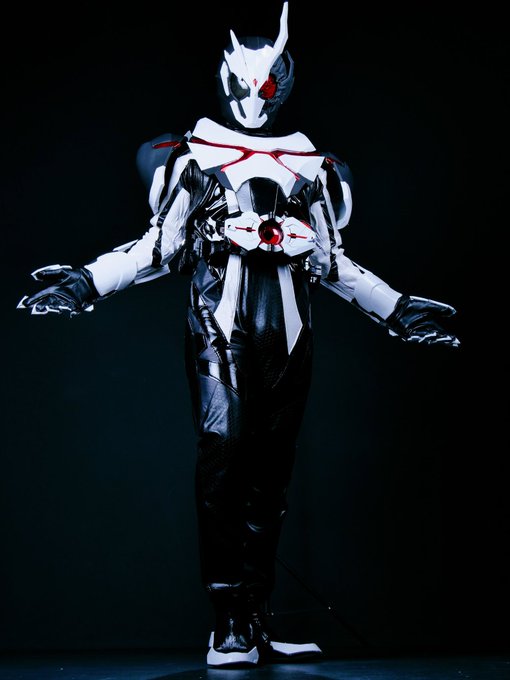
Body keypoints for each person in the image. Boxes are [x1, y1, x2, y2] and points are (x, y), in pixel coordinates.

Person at [17, 2, 459, 668]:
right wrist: (86, 281)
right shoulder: (195, 157)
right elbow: (159, 246)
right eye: (247, 83)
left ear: (285, 83)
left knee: (269, 478)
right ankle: (227, 620)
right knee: (223, 458)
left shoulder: (310, 164)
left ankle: (252, 619)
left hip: (290, 339)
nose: (256, 98)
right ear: (226, 78)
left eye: (269, 84)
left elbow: (331, 263)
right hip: (217, 329)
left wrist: (397, 309)